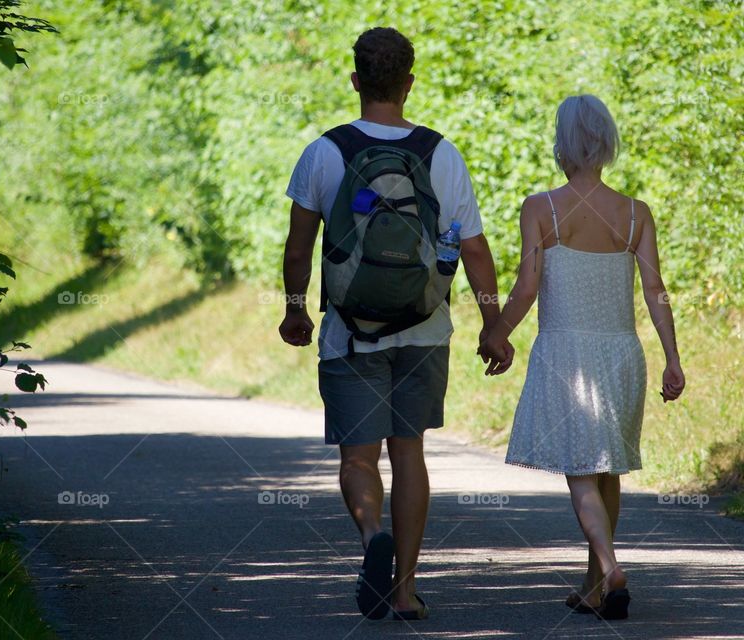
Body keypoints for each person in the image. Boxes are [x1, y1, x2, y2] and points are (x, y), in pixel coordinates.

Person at [280, 26, 512, 620]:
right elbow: (476, 249)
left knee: (359, 460)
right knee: (409, 454)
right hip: (425, 329)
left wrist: (296, 309)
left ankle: (369, 540)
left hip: (349, 331)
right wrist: (494, 324)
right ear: (409, 83)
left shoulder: (325, 151)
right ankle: (405, 589)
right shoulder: (441, 153)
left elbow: (299, 245)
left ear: (355, 80)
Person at [481, 94, 686, 620]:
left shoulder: (541, 207)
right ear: (606, 141)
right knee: (607, 468)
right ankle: (594, 586)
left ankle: (613, 568)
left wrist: (497, 333)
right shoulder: (636, 213)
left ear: (562, 143)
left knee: (580, 468)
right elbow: (655, 289)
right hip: (622, 353)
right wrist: (672, 358)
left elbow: (527, 287)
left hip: (566, 353)